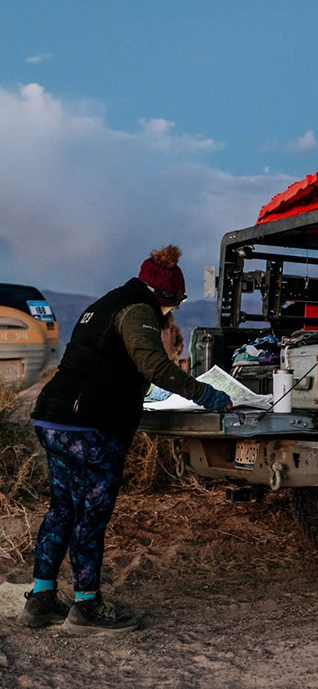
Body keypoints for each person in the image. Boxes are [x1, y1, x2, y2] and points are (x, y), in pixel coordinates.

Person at [21, 245, 233, 635]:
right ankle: (86, 605)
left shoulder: (107, 303)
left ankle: (41, 599)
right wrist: (204, 393)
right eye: (174, 304)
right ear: (165, 297)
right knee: (90, 515)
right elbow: (153, 365)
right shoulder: (138, 311)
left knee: (62, 509)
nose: (172, 312)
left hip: (55, 418)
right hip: (91, 426)